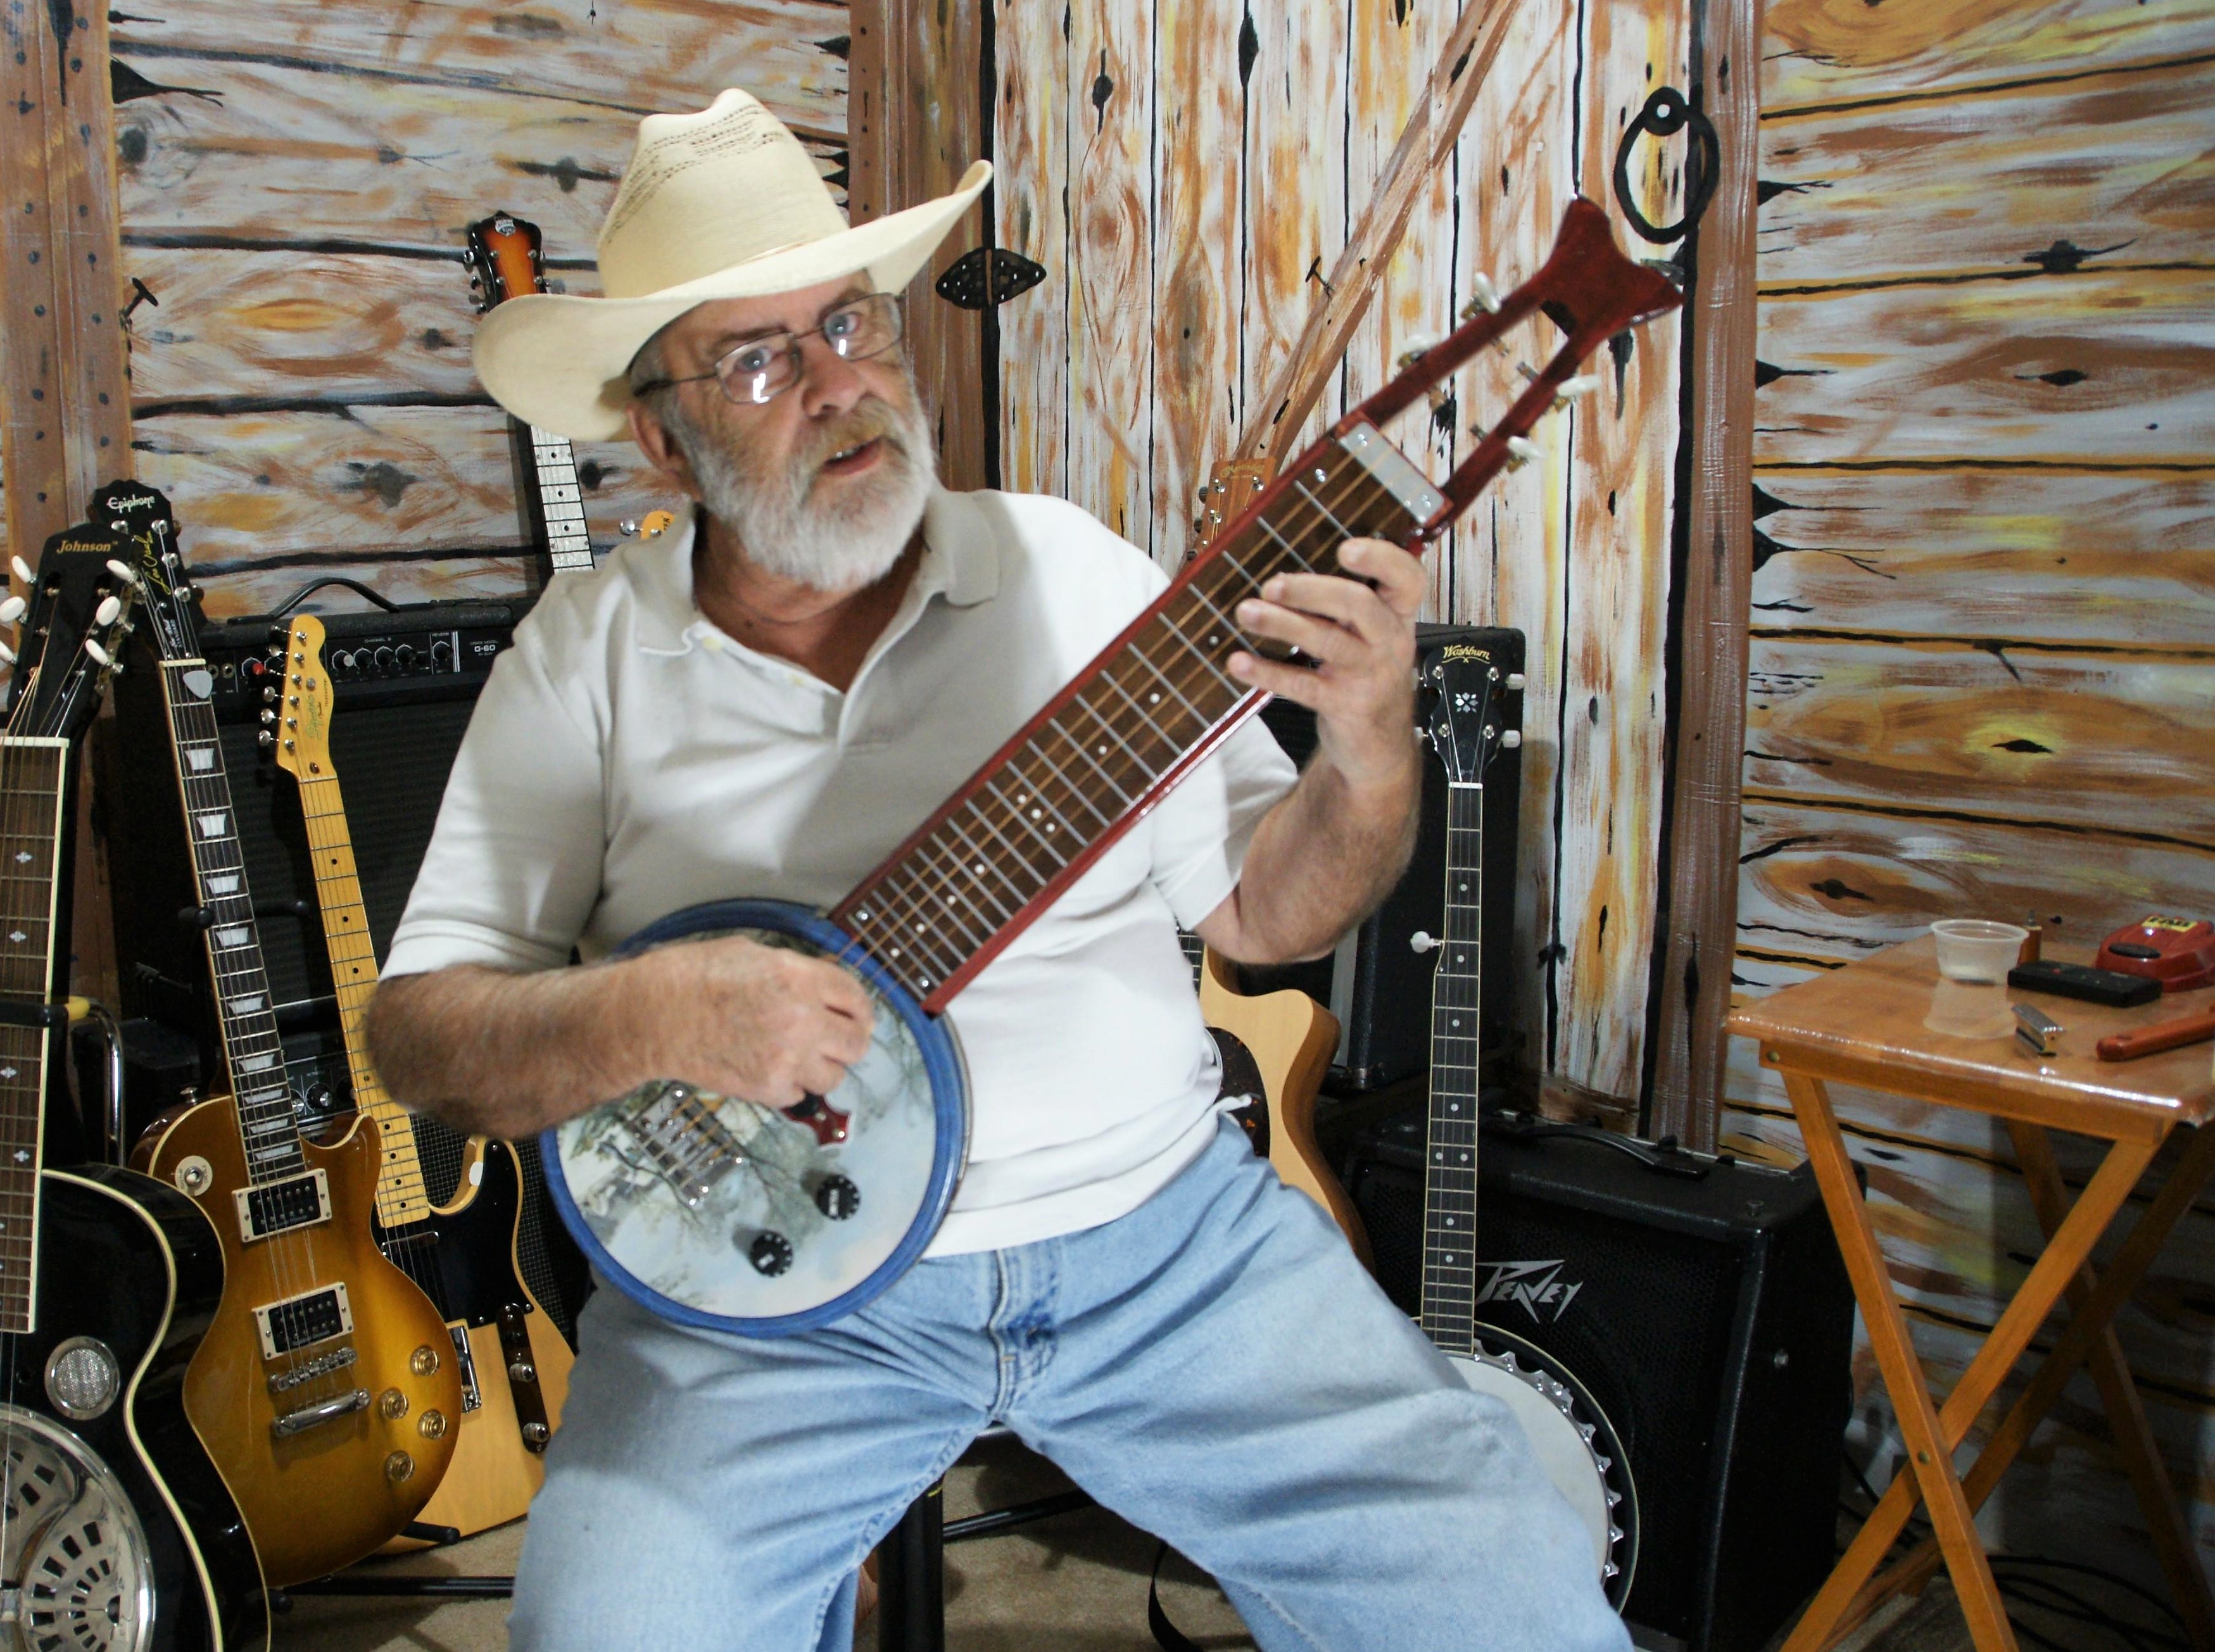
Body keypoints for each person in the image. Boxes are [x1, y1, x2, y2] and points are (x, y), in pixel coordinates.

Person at [370, 87, 1627, 1652]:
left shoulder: (1078, 574)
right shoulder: (585, 661)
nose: (838, 387)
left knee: (1511, 1602)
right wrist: (654, 1018)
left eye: (853, 323)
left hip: (1169, 1248)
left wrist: (1370, 756)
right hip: (775, 1325)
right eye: (760, 359)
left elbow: (1262, 911)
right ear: (661, 436)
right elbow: (417, 1035)